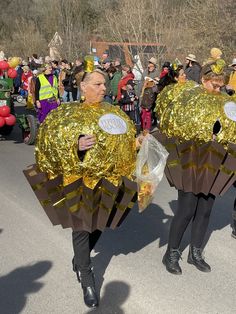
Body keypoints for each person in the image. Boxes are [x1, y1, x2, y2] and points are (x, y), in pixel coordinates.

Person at [34, 62, 142, 309]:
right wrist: (76, 146)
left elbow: (123, 144)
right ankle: (87, 277)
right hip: (78, 181)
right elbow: (49, 146)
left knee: (99, 224)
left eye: (104, 84)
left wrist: (137, 143)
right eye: (98, 84)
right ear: (83, 88)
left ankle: (79, 259)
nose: (104, 88)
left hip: (107, 182)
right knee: (81, 227)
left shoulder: (115, 114)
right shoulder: (66, 115)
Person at [155, 65, 235, 275]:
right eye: (214, 85)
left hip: (214, 162)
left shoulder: (227, 103)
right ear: (203, 79)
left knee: (205, 210)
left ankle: (195, 253)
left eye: (221, 86)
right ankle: (171, 252)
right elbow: (173, 126)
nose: (217, 89)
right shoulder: (188, 98)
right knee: (187, 209)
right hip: (190, 161)